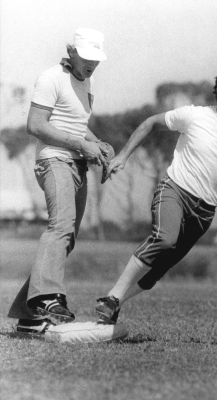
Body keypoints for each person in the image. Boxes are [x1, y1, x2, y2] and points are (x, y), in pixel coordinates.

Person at [95, 63, 217, 324]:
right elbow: (151, 123)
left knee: (159, 269)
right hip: (175, 190)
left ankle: (115, 303)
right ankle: (112, 297)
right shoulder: (195, 116)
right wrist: (123, 156)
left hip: (205, 211)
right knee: (165, 239)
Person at [8, 28, 110, 335]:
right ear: (72, 51)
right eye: (87, 57)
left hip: (77, 163)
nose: (92, 64)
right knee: (61, 226)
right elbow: (35, 124)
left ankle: (29, 314)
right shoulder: (51, 77)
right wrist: (82, 145)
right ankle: (47, 299)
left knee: (68, 236)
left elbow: (78, 126)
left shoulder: (87, 81)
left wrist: (99, 144)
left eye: (97, 59)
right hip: (53, 160)